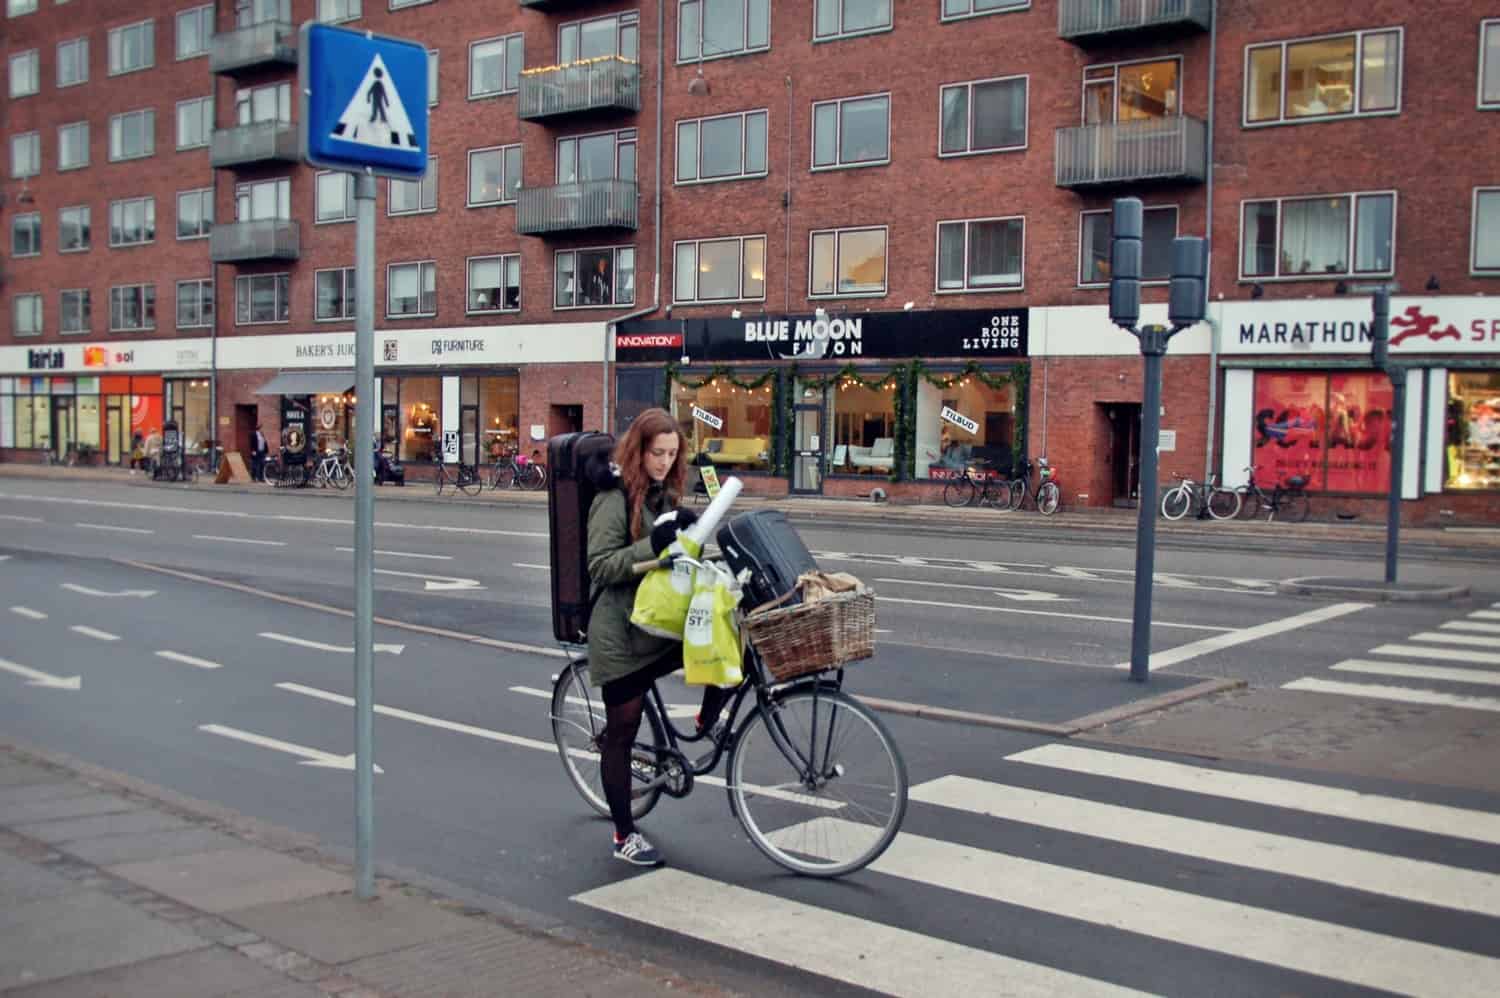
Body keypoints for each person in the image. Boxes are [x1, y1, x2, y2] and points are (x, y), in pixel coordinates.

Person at [585, 407, 730, 867]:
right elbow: (601, 566)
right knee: (622, 734)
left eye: (672, 453)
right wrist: (656, 543)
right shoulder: (614, 497)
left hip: (655, 621)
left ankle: (707, 722)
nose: (665, 462)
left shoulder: (661, 493)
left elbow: (673, 556)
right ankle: (624, 834)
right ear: (639, 451)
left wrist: (689, 536)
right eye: (657, 453)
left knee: (727, 649)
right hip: (620, 632)